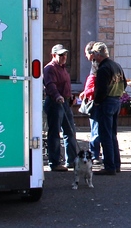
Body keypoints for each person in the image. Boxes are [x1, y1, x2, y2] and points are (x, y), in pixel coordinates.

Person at [92, 42, 127, 176]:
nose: (93, 57)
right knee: (112, 134)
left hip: (106, 102)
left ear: (97, 54)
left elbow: (101, 89)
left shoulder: (103, 68)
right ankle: (116, 164)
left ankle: (109, 166)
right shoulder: (116, 65)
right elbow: (124, 83)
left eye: (94, 54)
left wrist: (96, 102)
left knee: (105, 135)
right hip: (116, 101)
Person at [43, 44, 79, 172]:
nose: (64, 57)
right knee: (54, 133)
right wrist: (57, 96)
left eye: (65, 54)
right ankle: (54, 162)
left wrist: (71, 97)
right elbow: (50, 85)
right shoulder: (49, 69)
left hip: (65, 102)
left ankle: (73, 160)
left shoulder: (63, 68)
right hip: (54, 102)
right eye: (61, 55)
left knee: (70, 132)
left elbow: (66, 85)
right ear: (53, 55)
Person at [78, 41, 101, 164]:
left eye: (86, 53)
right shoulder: (95, 64)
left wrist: (88, 92)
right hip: (94, 98)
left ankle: (95, 155)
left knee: (95, 130)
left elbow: (98, 85)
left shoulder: (97, 65)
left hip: (96, 101)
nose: (86, 56)